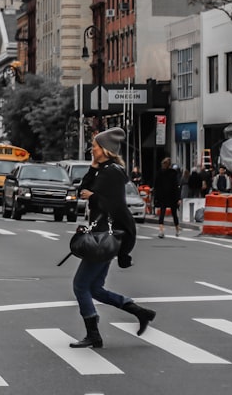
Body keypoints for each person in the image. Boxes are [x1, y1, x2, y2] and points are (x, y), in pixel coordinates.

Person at [69, 127, 156, 349]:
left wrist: (94, 197)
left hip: (103, 238)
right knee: (95, 288)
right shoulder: (105, 170)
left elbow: (115, 205)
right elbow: (83, 190)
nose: (92, 149)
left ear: (105, 150)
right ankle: (139, 311)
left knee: (80, 286)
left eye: (95, 147)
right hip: (103, 236)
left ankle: (93, 334)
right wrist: (92, 168)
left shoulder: (113, 173)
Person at [153, 157, 181, 238]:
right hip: (172, 195)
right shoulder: (173, 173)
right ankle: (177, 229)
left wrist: (156, 197)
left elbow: (156, 186)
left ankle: (161, 230)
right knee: (174, 213)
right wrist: (178, 198)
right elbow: (176, 186)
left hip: (162, 195)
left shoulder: (159, 173)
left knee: (162, 212)